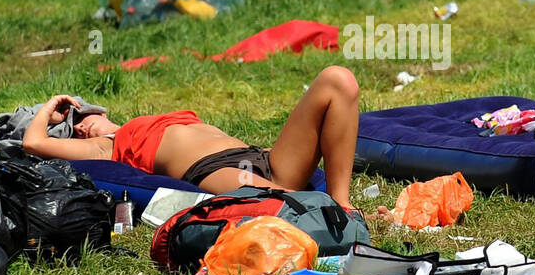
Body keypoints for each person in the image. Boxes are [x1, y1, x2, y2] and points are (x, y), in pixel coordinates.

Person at [21, 66, 360, 208]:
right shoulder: (106, 147)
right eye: (71, 130)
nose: (79, 126)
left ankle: (342, 203)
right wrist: (49, 107)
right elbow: (33, 144)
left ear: (103, 112)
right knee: (288, 205)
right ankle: (334, 214)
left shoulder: (154, 119)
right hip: (214, 169)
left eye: (80, 116)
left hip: (263, 157)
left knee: (338, 79)